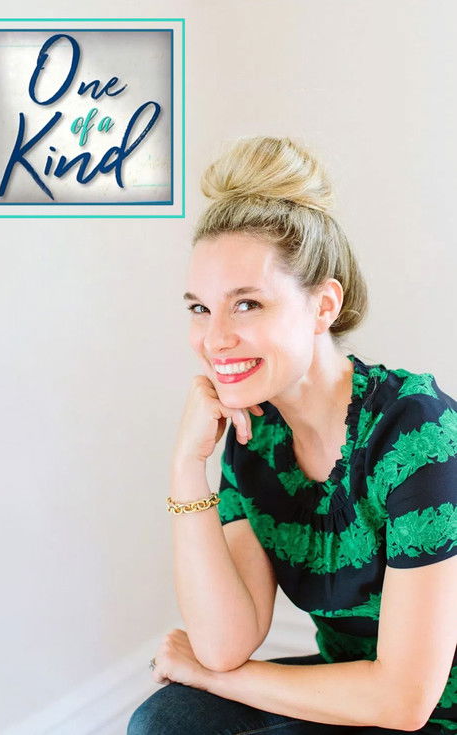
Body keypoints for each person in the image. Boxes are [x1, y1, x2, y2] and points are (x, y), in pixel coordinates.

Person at [127, 136, 457, 734]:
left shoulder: (416, 431)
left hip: (435, 712)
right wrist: (186, 468)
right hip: (353, 693)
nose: (215, 339)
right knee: (167, 722)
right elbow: (224, 644)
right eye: (200, 308)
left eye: (247, 305)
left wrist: (213, 677)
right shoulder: (254, 438)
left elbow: (404, 702)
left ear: (323, 306)